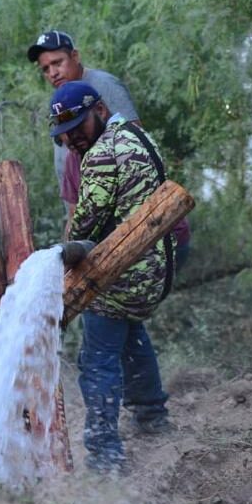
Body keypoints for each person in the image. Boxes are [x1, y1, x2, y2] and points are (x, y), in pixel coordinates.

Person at [49, 81, 175, 473]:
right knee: (130, 334)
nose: (71, 140)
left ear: (100, 109)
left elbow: (86, 221)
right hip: (153, 268)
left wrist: (67, 249)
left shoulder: (102, 154)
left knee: (98, 358)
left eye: (77, 128)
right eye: (63, 135)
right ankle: (152, 416)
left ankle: (105, 453)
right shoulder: (137, 135)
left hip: (125, 273)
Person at [27, 30, 191, 268]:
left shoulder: (103, 86)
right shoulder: (62, 103)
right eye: (45, 68)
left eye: (57, 63)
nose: (53, 73)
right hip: (96, 229)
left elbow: (134, 146)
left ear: (75, 56)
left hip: (134, 233)